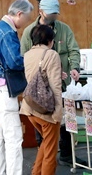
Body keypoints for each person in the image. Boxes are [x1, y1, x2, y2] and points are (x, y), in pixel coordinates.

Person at [20, 0, 81, 166]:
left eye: (56, 13)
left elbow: (74, 50)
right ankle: (46, 156)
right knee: (46, 125)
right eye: (51, 13)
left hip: (63, 84)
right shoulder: (29, 32)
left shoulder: (64, 29)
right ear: (41, 12)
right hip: (39, 88)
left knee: (66, 123)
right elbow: (24, 56)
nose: (54, 16)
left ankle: (66, 155)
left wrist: (74, 68)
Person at [0, 0, 34, 175]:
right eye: (26, 19)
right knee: (13, 138)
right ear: (19, 14)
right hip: (3, 89)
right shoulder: (7, 32)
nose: (26, 23)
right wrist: (31, 59)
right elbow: (14, 62)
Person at [20, 24, 64, 175]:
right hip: (46, 111)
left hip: (30, 107)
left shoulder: (27, 55)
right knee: (50, 154)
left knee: (46, 143)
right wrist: (58, 113)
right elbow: (55, 86)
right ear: (50, 40)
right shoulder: (51, 55)